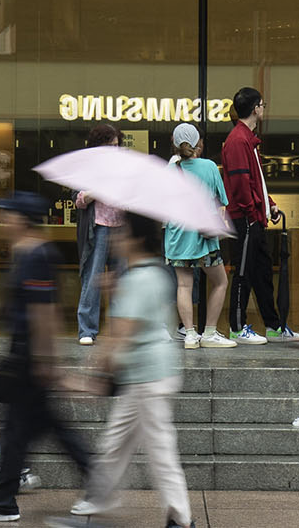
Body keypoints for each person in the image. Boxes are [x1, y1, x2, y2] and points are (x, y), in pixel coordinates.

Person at [49, 211, 194, 528]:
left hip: (148, 379)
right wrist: (116, 293)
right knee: (115, 445)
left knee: (161, 452)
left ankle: (182, 519)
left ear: (136, 240)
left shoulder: (139, 279)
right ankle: (98, 502)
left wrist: (94, 378)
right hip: (148, 375)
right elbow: (141, 322)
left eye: (122, 234)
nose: (116, 239)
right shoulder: (156, 273)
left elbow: (121, 336)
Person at [0, 191, 92, 525]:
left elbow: (44, 311)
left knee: (19, 433)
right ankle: (95, 481)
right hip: (26, 353)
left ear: (21, 219)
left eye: (6, 214)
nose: (0, 220)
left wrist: (45, 360)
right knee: (38, 429)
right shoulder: (26, 253)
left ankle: (2, 501)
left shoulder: (37, 255)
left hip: (29, 355)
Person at [221, 86, 292, 343]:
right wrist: (254, 213)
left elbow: (255, 182)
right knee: (243, 273)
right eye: (262, 104)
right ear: (255, 108)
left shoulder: (246, 139)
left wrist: (268, 204)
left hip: (253, 218)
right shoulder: (239, 140)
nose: (264, 108)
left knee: (262, 274)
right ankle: (237, 328)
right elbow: (241, 186)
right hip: (245, 219)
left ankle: (273, 326)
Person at [165, 122, 235, 348]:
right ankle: (210, 332)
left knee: (183, 286)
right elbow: (223, 200)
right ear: (198, 143)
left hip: (177, 237)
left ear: (175, 145)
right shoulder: (209, 167)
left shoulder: (169, 170)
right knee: (220, 282)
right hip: (203, 238)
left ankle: (191, 335)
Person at [73, 123, 122, 346]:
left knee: (121, 280)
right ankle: (87, 329)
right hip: (98, 227)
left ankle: (119, 328)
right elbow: (78, 200)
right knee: (92, 277)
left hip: (120, 228)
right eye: (110, 146)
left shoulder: (124, 167)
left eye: (116, 145)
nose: (114, 150)